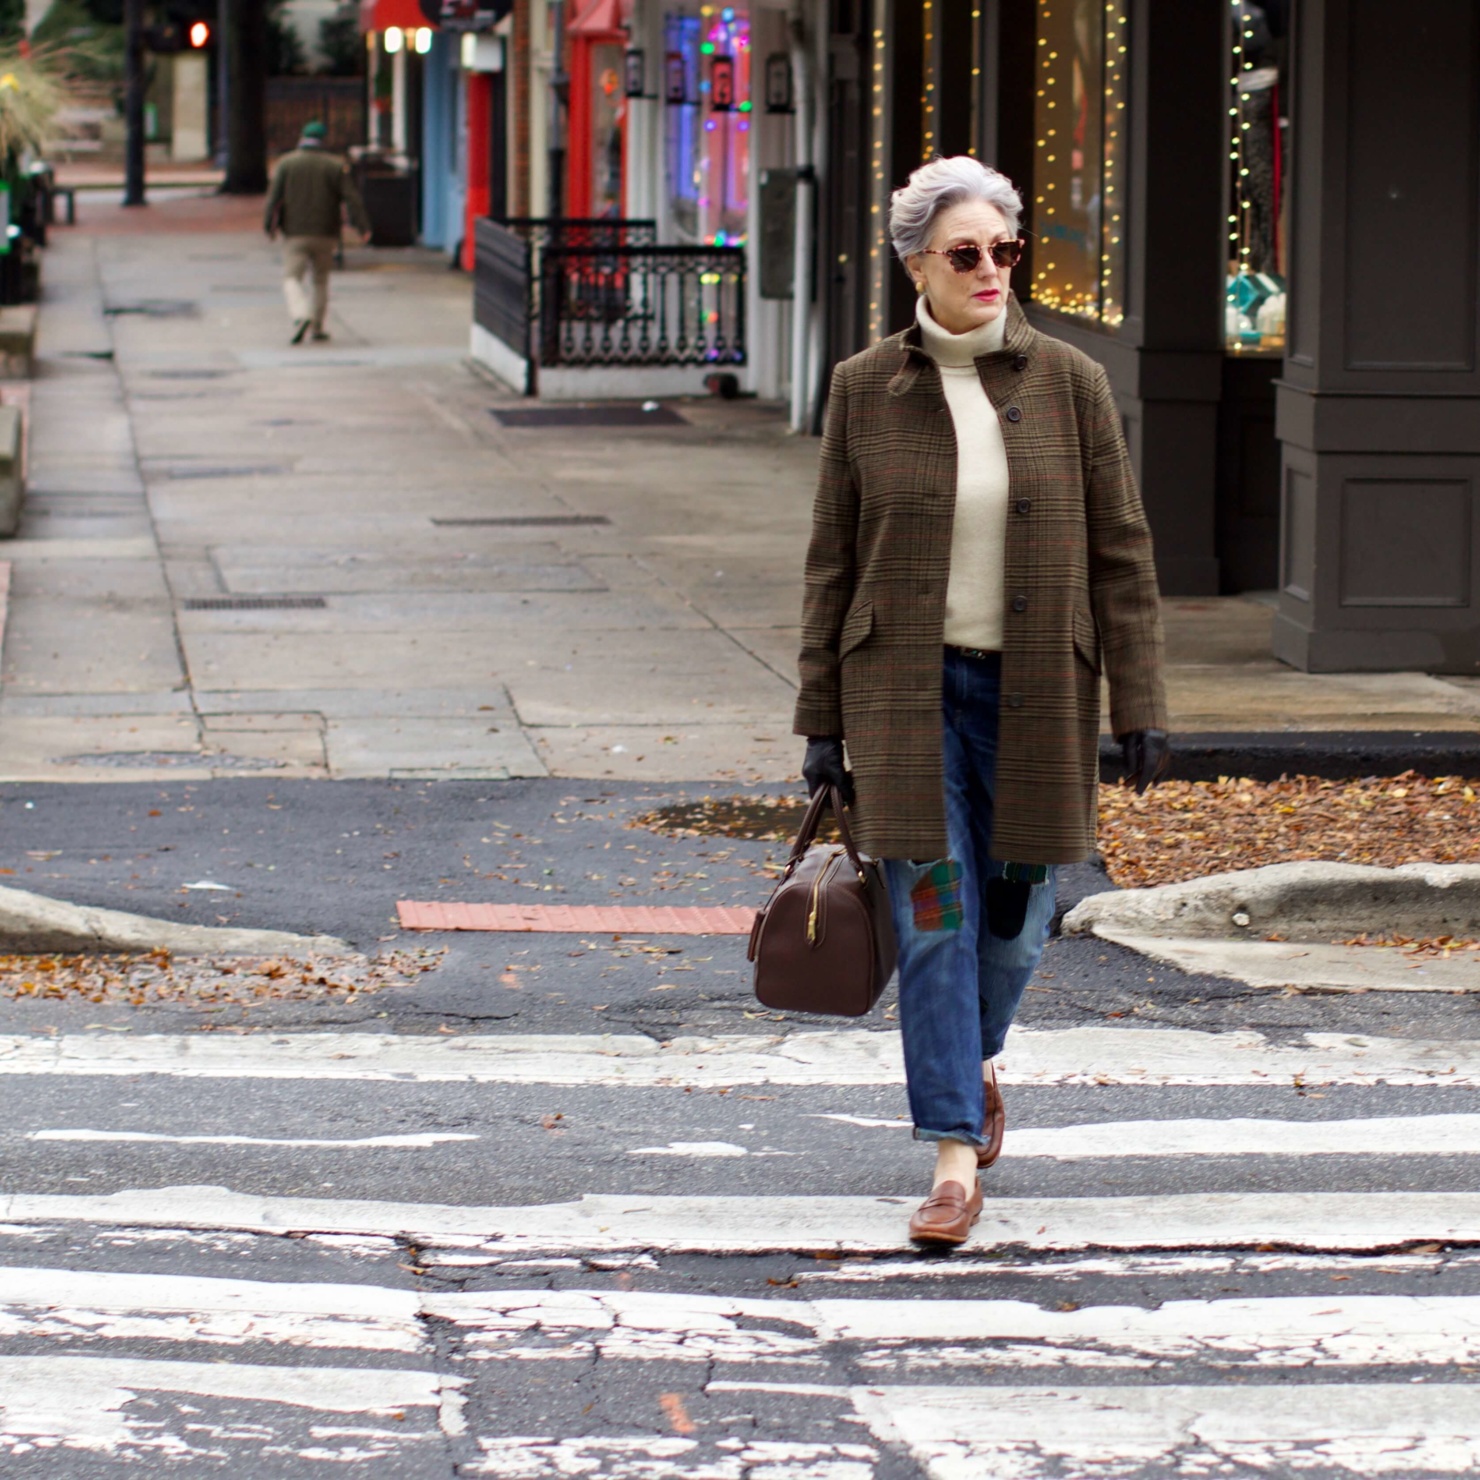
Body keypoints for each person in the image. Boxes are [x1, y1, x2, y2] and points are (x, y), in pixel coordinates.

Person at [794, 156, 1170, 1247]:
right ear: (917, 262)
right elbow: (831, 558)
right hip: (903, 694)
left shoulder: (1071, 382)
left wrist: (1138, 699)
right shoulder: (865, 386)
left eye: (1007, 249)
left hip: (1038, 691)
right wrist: (820, 718)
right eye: (968, 253)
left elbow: (1121, 551)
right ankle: (954, 1157)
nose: (992, 269)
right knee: (935, 919)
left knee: (1015, 921)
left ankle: (973, 1052)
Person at [263, 122, 371, 345]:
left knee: (291, 278)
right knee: (320, 281)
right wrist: (363, 227)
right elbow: (352, 199)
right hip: (326, 232)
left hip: (295, 232)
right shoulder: (334, 165)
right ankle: (318, 327)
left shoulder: (286, 163)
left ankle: (301, 314)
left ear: (302, 137)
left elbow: (273, 199)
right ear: (323, 140)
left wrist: (269, 226)